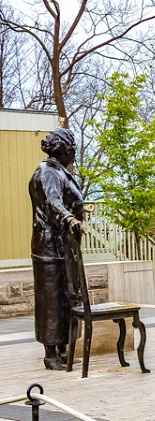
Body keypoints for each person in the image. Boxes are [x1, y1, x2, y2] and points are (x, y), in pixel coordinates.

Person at [28, 128, 84, 370]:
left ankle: (63, 349)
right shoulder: (48, 173)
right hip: (50, 247)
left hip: (63, 246)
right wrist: (69, 220)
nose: (74, 154)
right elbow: (53, 204)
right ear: (64, 151)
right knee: (51, 300)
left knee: (66, 297)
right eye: (72, 150)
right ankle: (51, 354)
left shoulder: (58, 172)